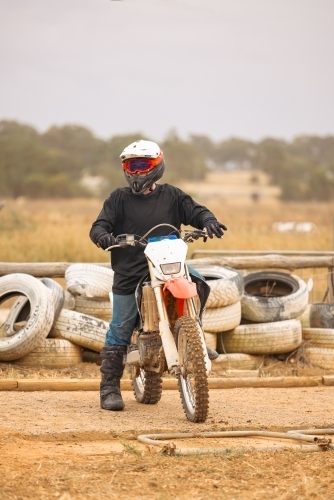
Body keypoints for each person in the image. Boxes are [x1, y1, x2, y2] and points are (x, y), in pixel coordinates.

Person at [90, 140, 227, 411]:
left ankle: (194, 338)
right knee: (120, 327)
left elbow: (196, 211)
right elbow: (99, 225)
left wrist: (208, 221)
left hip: (168, 267)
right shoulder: (118, 198)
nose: (137, 172)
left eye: (142, 165)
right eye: (131, 166)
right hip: (131, 271)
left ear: (156, 165)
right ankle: (109, 389)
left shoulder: (173, 196)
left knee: (198, 282)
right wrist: (104, 237)